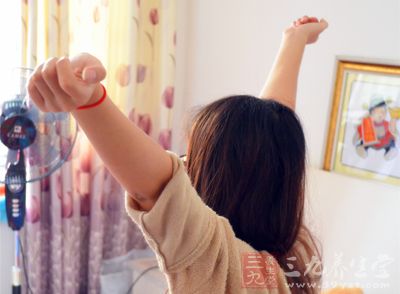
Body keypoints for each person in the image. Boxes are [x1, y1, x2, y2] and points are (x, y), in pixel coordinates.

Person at [27, 15, 328, 294]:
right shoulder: (283, 260)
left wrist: (91, 101)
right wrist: (295, 39)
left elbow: (161, 187)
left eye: (191, 158)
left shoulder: (220, 262)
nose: (183, 164)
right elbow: (272, 134)